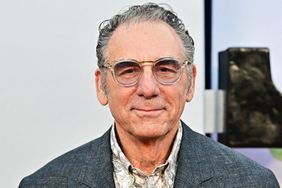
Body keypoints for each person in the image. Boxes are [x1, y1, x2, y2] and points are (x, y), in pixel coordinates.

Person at [19, 3, 279, 188]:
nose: (148, 88)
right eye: (128, 70)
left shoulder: (252, 182)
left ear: (190, 83)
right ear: (101, 86)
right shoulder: (44, 184)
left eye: (165, 69)